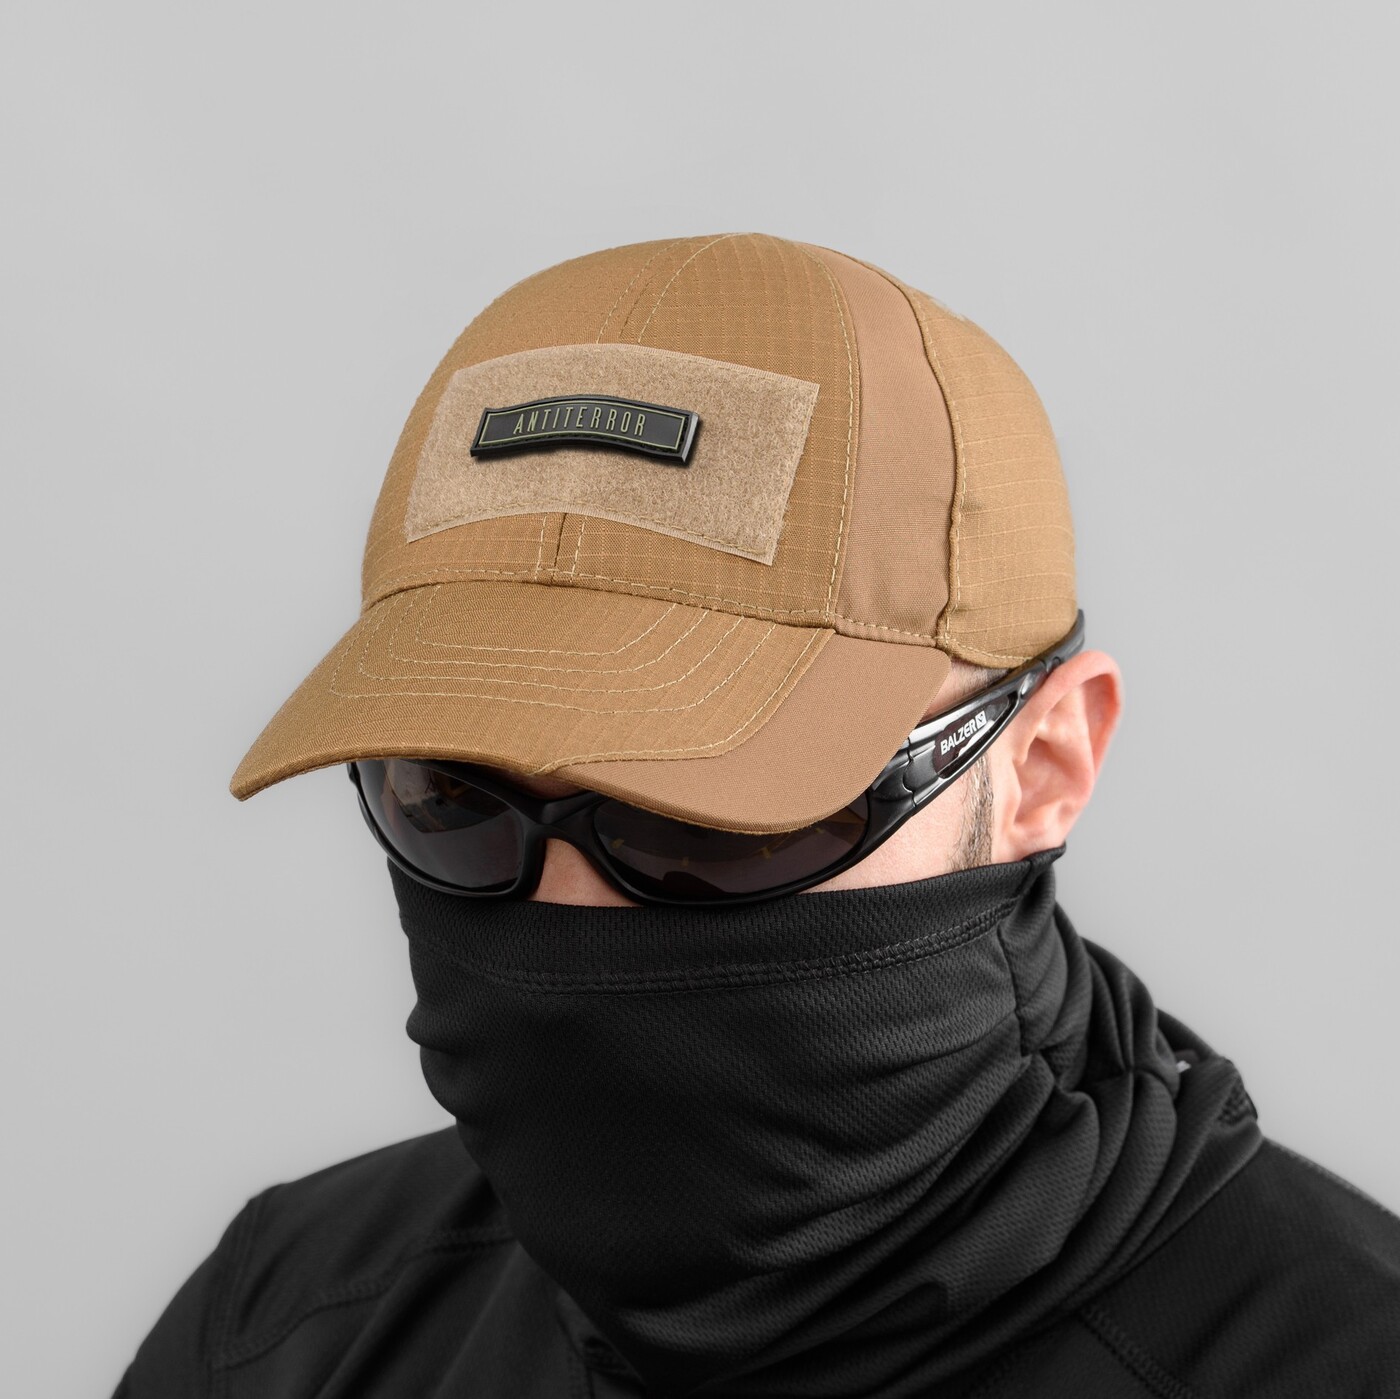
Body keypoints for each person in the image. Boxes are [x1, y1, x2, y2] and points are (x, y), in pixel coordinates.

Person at [113, 234, 1400, 1398]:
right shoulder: (288, 1325)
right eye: (451, 799)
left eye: (710, 822)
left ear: (1045, 763)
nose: (567, 915)